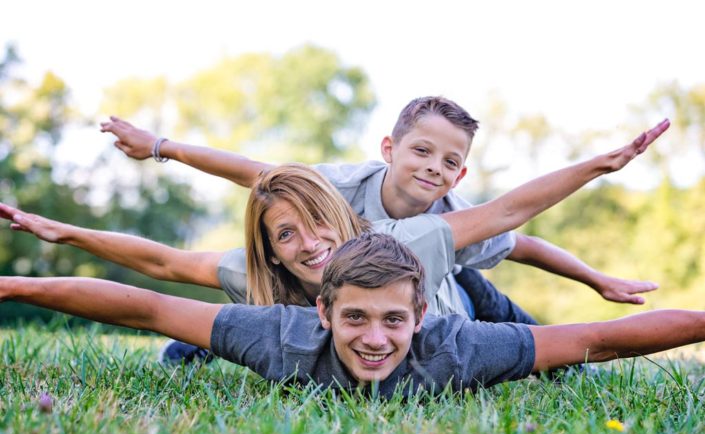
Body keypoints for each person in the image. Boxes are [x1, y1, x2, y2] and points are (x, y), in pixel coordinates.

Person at [1, 120, 669, 363]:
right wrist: (61, 231)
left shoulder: (402, 234)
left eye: (316, 225)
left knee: (550, 348)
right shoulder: (264, 265)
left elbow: (509, 221)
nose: (306, 244)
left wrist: (597, 170)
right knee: (200, 343)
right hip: (370, 313)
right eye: (285, 237)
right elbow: (161, 263)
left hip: (462, 300)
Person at [100, 96, 660, 321]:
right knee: (253, 293)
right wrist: (159, 147)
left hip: (455, 293)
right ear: (389, 150)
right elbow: (255, 171)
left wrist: (596, 279)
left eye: (448, 161)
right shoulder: (337, 190)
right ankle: (191, 348)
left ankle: (563, 364)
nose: (433, 168)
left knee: (495, 305)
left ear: (459, 174)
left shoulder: (454, 214)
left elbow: (523, 235)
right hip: (350, 294)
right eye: (421, 151)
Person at [2, 232, 704, 398]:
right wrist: (14, 287)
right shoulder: (277, 335)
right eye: (355, 319)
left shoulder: (460, 347)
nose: (374, 340)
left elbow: (600, 337)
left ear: (421, 315)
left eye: (393, 321)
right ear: (321, 312)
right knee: (184, 343)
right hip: (243, 335)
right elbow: (148, 304)